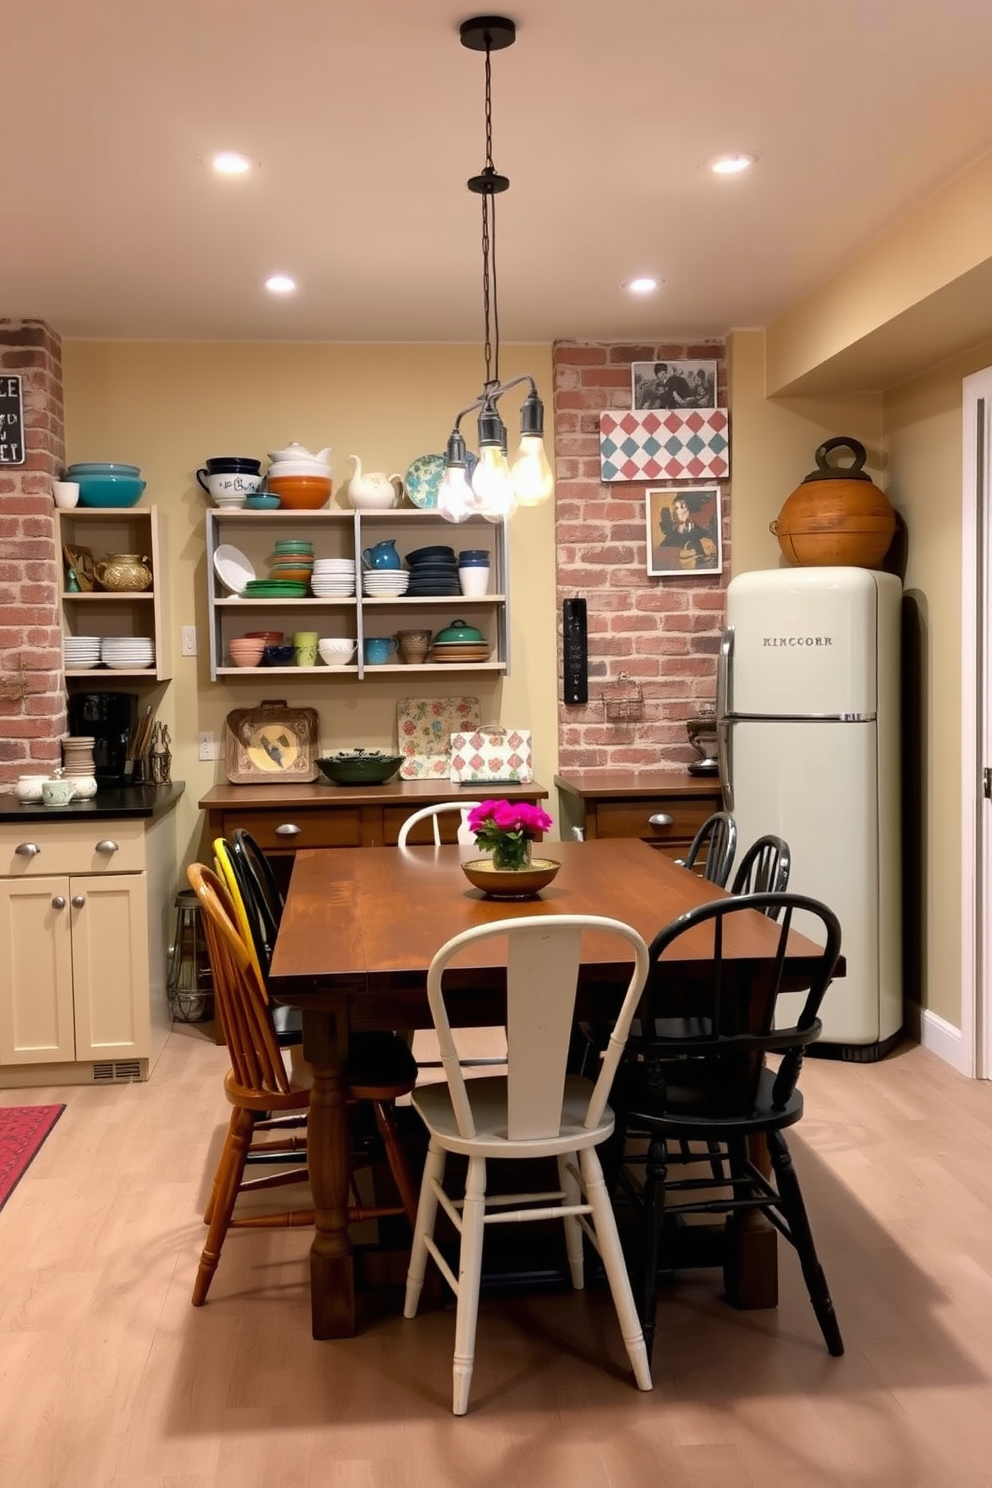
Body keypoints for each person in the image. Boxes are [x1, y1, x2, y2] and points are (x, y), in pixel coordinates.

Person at [658, 493, 717, 568]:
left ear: (690, 509)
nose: (677, 511)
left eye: (682, 507)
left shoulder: (703, 537)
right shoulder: (667, 541)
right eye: (676, 508)